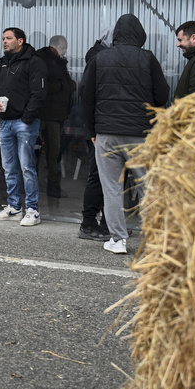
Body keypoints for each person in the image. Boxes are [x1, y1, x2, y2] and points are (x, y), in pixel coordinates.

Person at [81, 14, 170, 254]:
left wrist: (92, 130)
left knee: (111, 187)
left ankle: (118, 240)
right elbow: (162, 93)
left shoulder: (100, 58)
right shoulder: (147, 58)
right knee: (146, 186)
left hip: (107, 133)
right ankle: (152, 241)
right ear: (140, 35)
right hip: (140, 133)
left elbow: (86, 96)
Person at [0, 27, 47, 226]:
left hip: (24, 123)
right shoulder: (3, 63)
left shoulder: (35, 62)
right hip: (5, 123)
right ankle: (14, 207)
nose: (4, 41)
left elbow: (39, 94)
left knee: (27, 167)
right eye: (3, 38)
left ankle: (33, 210)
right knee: (9, 168)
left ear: (20, 41)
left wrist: (26, 118)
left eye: (9, 38)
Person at [77, 27, 114, 241]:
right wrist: (91, 130)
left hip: (98, 127)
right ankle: (89, 224)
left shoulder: (98, 57)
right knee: (98, 177)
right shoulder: (98, 59)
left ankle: (105, 224)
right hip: (97, 130)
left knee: (104, 177)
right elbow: (87, 96)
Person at [35, 35, 75, 199]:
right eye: (63, 47)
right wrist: (61, 86)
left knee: (54, 152)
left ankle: (53, 186)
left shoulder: (57, 61)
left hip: (56, 114)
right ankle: (50, 187)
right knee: (51, 153)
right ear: (54, 46)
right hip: (47, 114)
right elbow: (41, 85)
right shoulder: (43, 60)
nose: (65, 51)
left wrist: (68, 85)